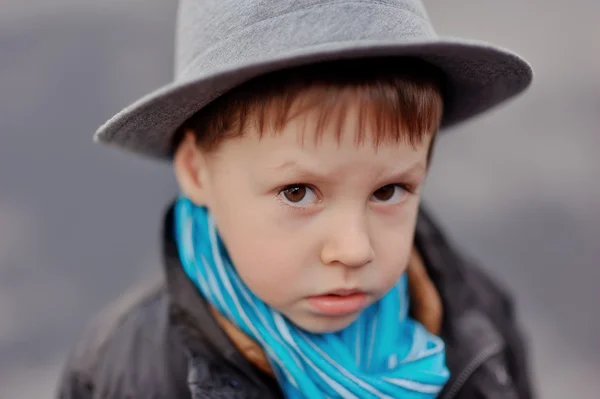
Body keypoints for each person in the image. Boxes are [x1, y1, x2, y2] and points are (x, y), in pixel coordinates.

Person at [57, 0, 535, 398]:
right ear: (196, 170)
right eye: (297, 192)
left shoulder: (477, 319)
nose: (353, 249)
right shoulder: (129, 372)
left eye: (388, 190)